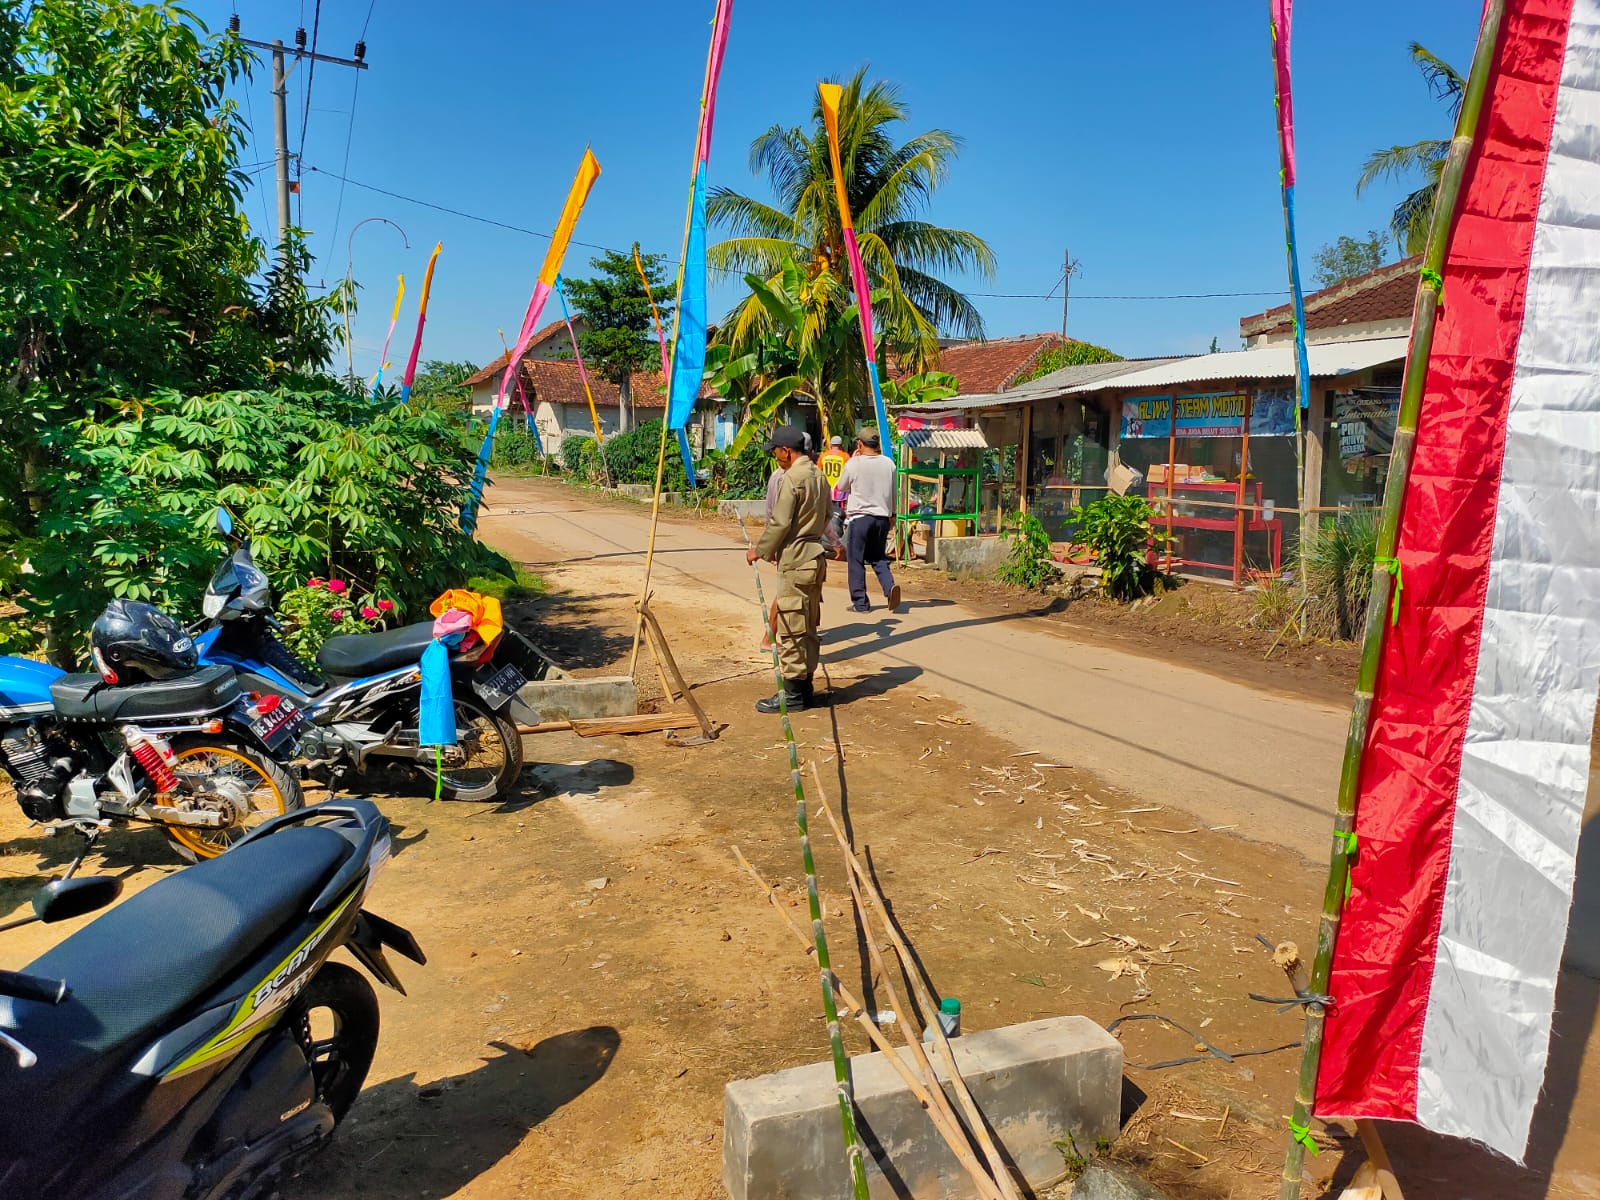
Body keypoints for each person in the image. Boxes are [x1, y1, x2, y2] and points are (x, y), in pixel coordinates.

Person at [748, 425, 831, 713]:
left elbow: (780, 523)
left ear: (786, 450)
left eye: (776, 453)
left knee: (792, 627)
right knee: (807, 626)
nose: (776, 458)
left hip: (796, 559)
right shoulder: (818, 475)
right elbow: (829, 514)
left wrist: (759, 551)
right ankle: (805, 686)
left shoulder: (792, 478)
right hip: (815, 556)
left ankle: (794, 695)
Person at [835, 428, 901, 614]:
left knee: (856, 560)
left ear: (860, 444)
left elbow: (841, 486)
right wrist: (892, 515)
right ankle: (889, 587)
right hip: (882, 518)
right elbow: (893, 491)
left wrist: (852, 460)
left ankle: (861, 603)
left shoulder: (854, 464)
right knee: (878, 557)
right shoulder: (889, 464)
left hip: (860, 518)